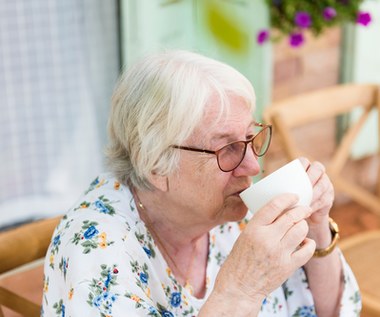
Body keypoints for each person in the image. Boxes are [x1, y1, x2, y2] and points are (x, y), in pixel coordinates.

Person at [42, 50, 361, 317]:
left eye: (250, 138)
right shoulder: (98, 251)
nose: (253, 166)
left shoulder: (229, 213)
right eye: (227, 149)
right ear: (155, 165)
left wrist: (318, 229)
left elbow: (333, 309)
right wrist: (239, 291)